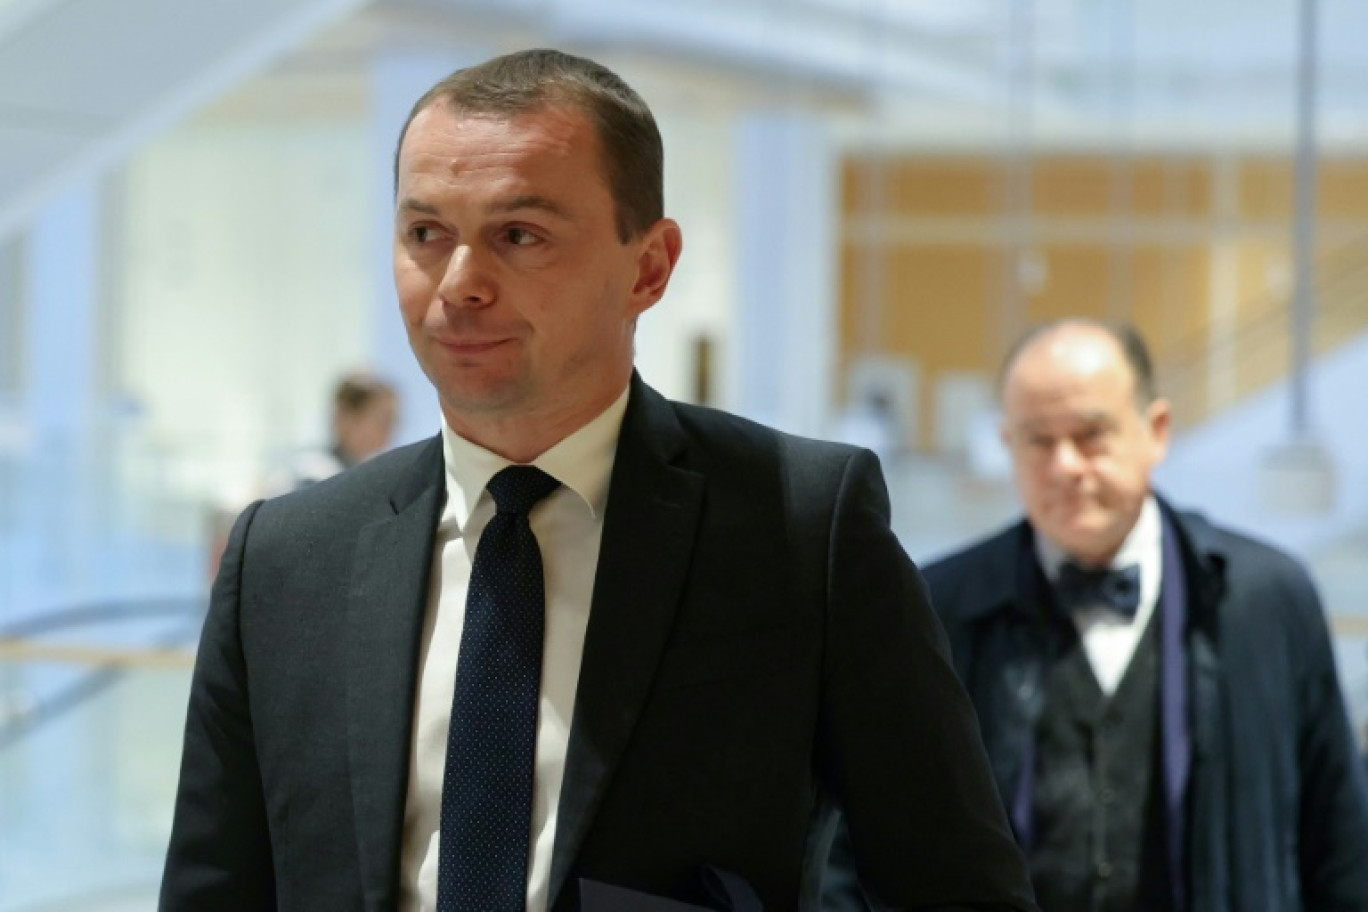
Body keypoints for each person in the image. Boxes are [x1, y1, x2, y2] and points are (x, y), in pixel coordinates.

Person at [159, 49, 1035, 912]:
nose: (459, 285)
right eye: (426, 233)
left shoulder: (800, 526)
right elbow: (214, 889)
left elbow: (951, 882)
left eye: (519, 236)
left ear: (648, 267)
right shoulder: (286, 559)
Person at [830, 319, 1368, 911]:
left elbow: (1340, 838)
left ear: (1156, 431)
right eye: (1038, 439)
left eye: (1091, 435)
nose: (1065, 465)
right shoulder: (936, 607)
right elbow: (861, 843)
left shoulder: (1268, 599)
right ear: (1008, 445)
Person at [276, 370, 399, 490]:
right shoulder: (314, 473)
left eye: (394, 422)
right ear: (345, 418)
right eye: (383, 420)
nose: (389, 430)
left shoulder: (373, 476)